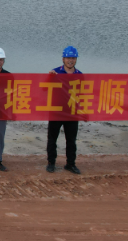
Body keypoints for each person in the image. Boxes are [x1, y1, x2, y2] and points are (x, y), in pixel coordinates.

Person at [46, 46, 82, 174]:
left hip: (72, 112)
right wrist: (50, 78)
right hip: (56, 111)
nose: (70, 60)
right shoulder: (55, 72)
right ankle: (51, 162)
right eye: (68, 58)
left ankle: (70, 164)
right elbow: (44, 88)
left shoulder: (79, 75)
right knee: (52, 139)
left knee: (71, 140)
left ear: (76, 59)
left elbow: (83, 94)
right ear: (63, 59)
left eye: (73, 58)